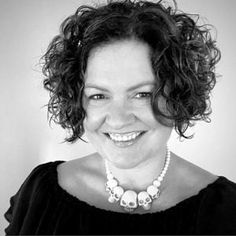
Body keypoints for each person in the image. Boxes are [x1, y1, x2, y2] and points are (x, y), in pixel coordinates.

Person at [4, 0, 236, 234]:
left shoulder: (228, 209)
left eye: (142, 94)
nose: (118, 119)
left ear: (178, 94)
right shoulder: (40, 192)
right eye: (98, 96)